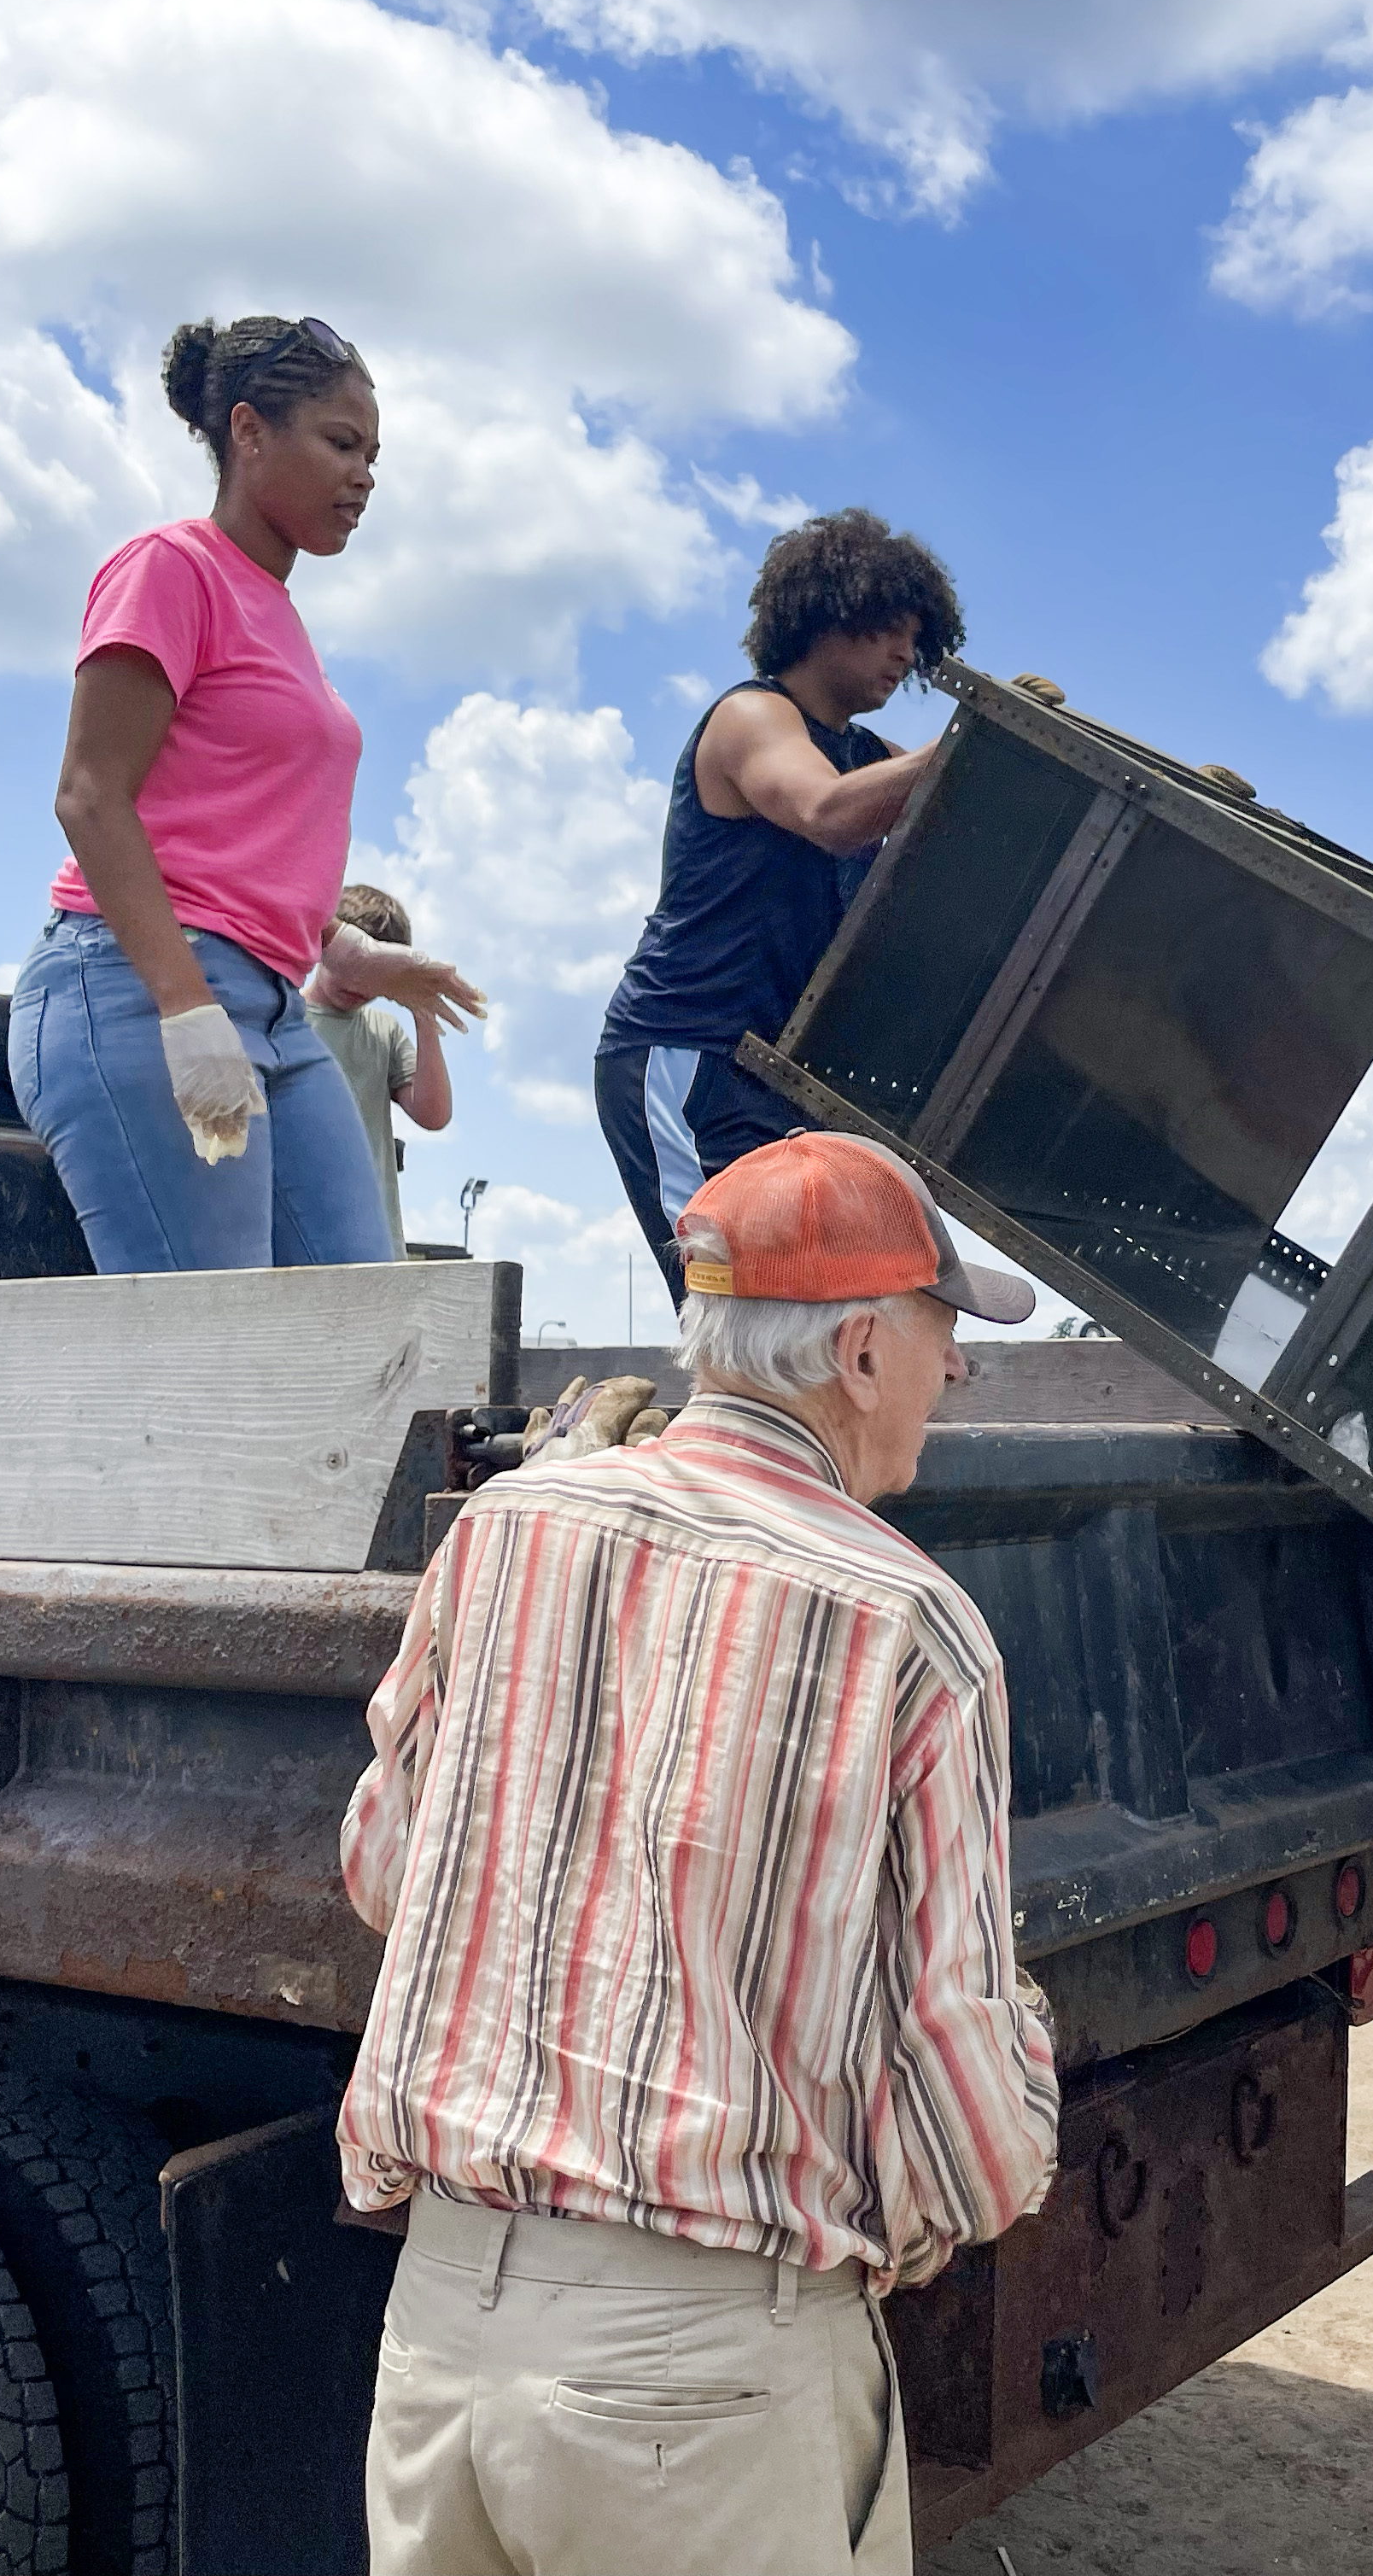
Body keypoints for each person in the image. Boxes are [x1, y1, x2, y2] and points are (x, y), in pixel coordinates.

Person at [339, 1130, 1057, 2576]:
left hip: (441, 2329)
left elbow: (381, 1870)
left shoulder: (503, 1527)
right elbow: (965, 2136)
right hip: (703, 2375)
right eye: (941, 1337)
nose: (954, 1374)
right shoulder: (908, 1625)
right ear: (858, 1346)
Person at [14, 313, 465, 1270]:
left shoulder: (281, 614)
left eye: (375, 454)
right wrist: (185, 1008)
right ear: (250, 431)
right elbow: (91, 795)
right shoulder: (172, 568)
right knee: (215, 1357)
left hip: (270, 1004)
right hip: (140, 988)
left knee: (361, 1322)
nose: (366, 476)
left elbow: (232, 842)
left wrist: (353, 952)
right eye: (342, 444)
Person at [597, 509, 960, 1299]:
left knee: (808, 1307)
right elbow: (829, 813)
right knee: (730, 1298)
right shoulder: (752, 717)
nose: (905, 654)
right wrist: (967, 747)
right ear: (826, 616)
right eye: (887, 628)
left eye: (916, 637)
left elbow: (964, 813)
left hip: (784, 1073)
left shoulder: (870, 756)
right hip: (690, 1053)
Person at [303, 883, 461, 1247]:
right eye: (353, 967)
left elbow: (433, 1115)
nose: (358, 984)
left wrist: (423, 1012)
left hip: (372, 1231)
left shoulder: (383, 1031)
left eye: (377, 975)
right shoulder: (285, 1016)